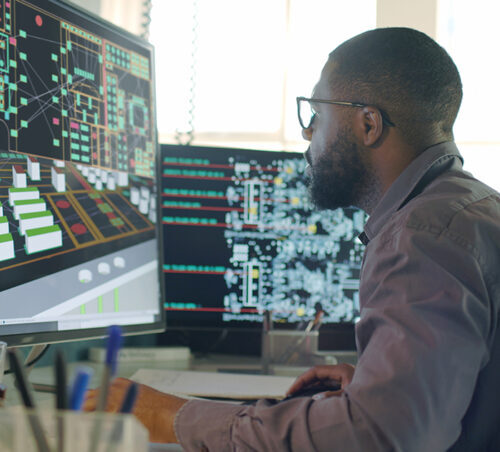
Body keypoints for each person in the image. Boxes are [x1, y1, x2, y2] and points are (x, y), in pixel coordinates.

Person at [84, 27, 500, 451]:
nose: (308, 133)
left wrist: (170, 415)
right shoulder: (467, 208)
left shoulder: (422, 238)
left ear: (368, 124)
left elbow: (377, 438)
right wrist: (380, 385)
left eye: (316, 114)